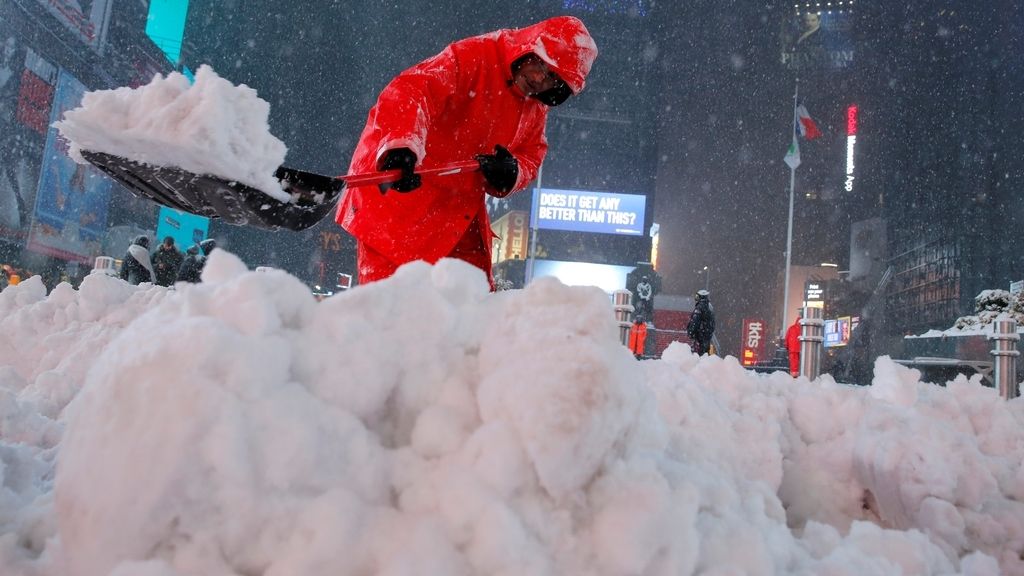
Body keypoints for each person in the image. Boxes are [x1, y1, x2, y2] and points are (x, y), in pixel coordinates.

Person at [335, 16, 598, 288]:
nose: (539, 80)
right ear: (529, 48)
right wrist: (401, 145)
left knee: (472, 310)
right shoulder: (474, 56)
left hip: (455, 214)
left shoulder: (535, 106)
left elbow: (532, 153)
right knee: (394, 313)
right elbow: (412, 90)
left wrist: (512, 172)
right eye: (542, 65)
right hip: (396, 205)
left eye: (553, 79)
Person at [686, 289, 715, 356]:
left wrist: (691, 332)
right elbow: (713, 323)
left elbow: (695, 321)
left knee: (699, 355)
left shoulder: (699, 307)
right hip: (707, 336)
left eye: (697, 296)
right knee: (705, 354)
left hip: (700, 336)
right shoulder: (709, 307)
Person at [786, 312, 802, 377]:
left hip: (792, 349)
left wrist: (787, 347)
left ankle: (794, 375)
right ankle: (801, 374)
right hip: (800, 349)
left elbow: (786, 338)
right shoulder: (804, 329)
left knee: (793, 363)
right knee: (801, 363)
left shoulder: (791, 328)